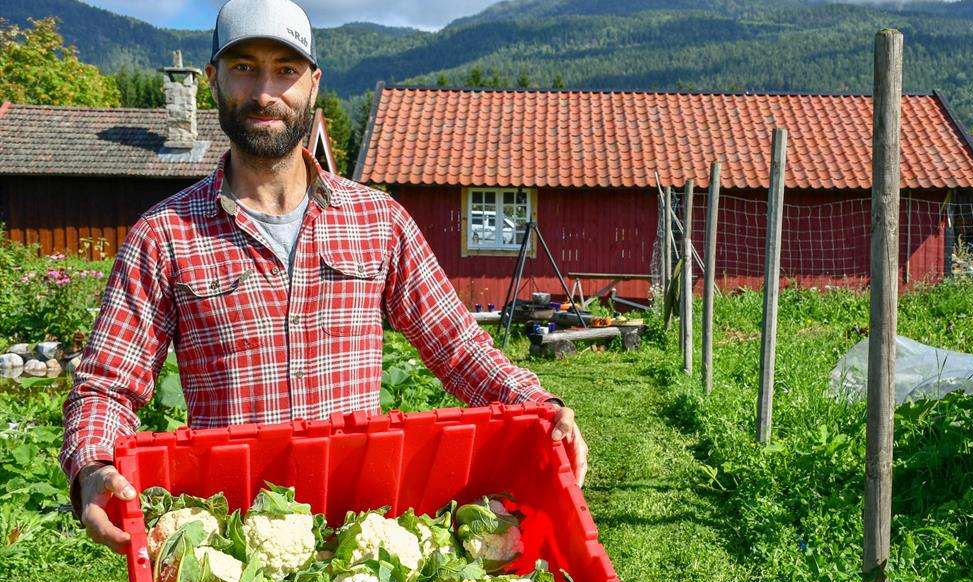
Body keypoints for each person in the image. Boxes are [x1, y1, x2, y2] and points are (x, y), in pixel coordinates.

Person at [60, 0, 588, 554]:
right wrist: (94, 465)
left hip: (362, 539)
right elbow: (107, 385)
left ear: (313, 85)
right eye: (244, 68)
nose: (266, 93)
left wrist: (540, 406)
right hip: (238, 550)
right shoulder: (164, 235)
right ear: (213, 80)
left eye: (285, 71)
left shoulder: (377, 221)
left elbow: (457, 346)